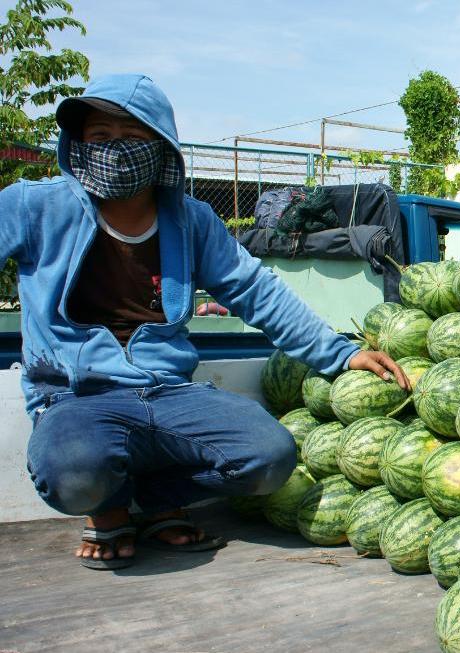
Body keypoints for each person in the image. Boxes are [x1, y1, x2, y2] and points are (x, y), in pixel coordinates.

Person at [0, 74, 409, 570]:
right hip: (77, 396)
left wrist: (341, 354)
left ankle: (154, 502)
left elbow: (254, 290)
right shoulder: (33, 206)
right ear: (77, 145)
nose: (115, 150)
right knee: (73, 472)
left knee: (269, 457)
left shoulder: (190, 220)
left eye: (132, 137)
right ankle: (107, 511)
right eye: (100, 137)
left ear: (161, 147)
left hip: (170, 391)